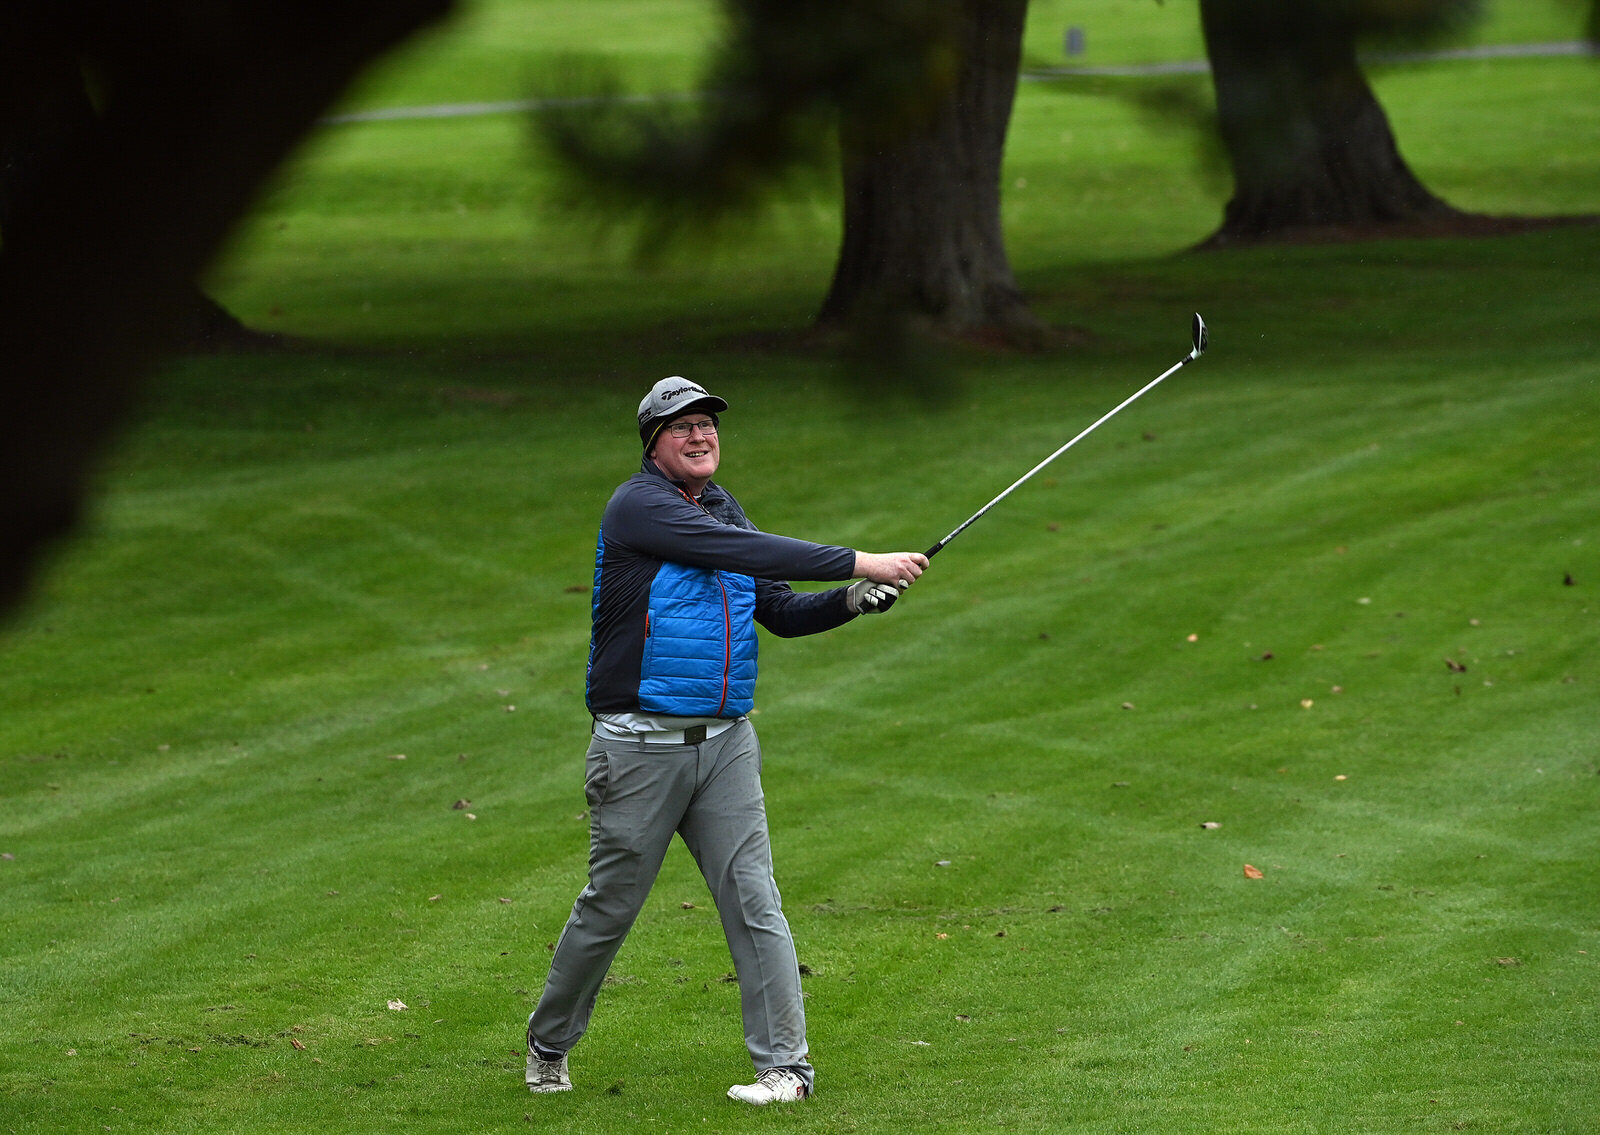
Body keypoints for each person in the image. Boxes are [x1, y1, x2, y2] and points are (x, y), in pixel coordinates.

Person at [524, 376, 927, 1105]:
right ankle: (550, 1039)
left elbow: (773, 604)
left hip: (727, 743)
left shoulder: (721, 505)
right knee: (610, 905)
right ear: (653, 442)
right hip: (639, 747)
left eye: (708, 423)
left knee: (754, 898)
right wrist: (862, 560)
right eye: (682, 426)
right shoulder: (638, 506)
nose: (700, 435)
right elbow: (744, 552)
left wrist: (848, 601)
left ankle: (787, 1068)